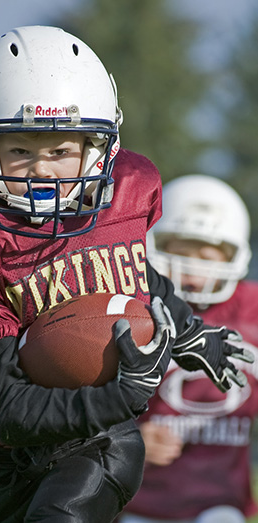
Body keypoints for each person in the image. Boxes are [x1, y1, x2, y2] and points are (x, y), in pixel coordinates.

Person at [0, 27, 253, 523]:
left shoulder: (127, 193)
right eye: (20, 151)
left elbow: (138, 278)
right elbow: (6, 408)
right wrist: (122, 393)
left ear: (100, 145)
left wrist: (190, 334)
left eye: (61, 150)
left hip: (97, 441)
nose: (43, 171)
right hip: (1, 456)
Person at [117, 174, 258, 523]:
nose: (193, 275)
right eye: (179, 255)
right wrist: (125, 441)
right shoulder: (127, 309)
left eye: (207, 257)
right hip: (137, 500)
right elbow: (81, 403)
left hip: (222, 502)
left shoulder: (251, 311)